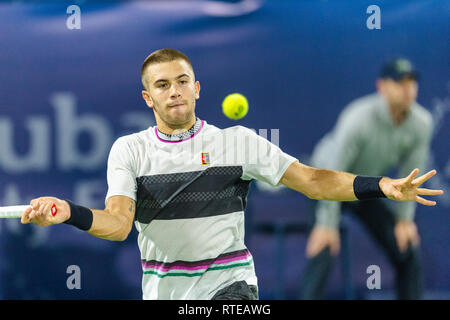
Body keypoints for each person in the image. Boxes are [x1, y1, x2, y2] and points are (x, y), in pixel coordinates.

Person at [20, 50, 443, 300]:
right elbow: (117, 225)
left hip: (232, 288)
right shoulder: (128, 150)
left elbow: (313, 180)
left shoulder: (238, 141)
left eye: (183, 81)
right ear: (148, 98)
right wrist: (68, 211)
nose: (176, 91)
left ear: (197, 88)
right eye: (164, 85)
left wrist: (381, 186)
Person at [299, 58, 434, 300]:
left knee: (406, 247)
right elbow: (334, 170)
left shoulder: (421, 123)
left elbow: (411, 178)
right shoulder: (358, 118)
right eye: (399, 82)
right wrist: (327, 225)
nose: (407, 89)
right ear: (381, 86)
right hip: (326, 182)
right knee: (324, 247)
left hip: (366, 186)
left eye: (412, 82)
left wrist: (404, 220)